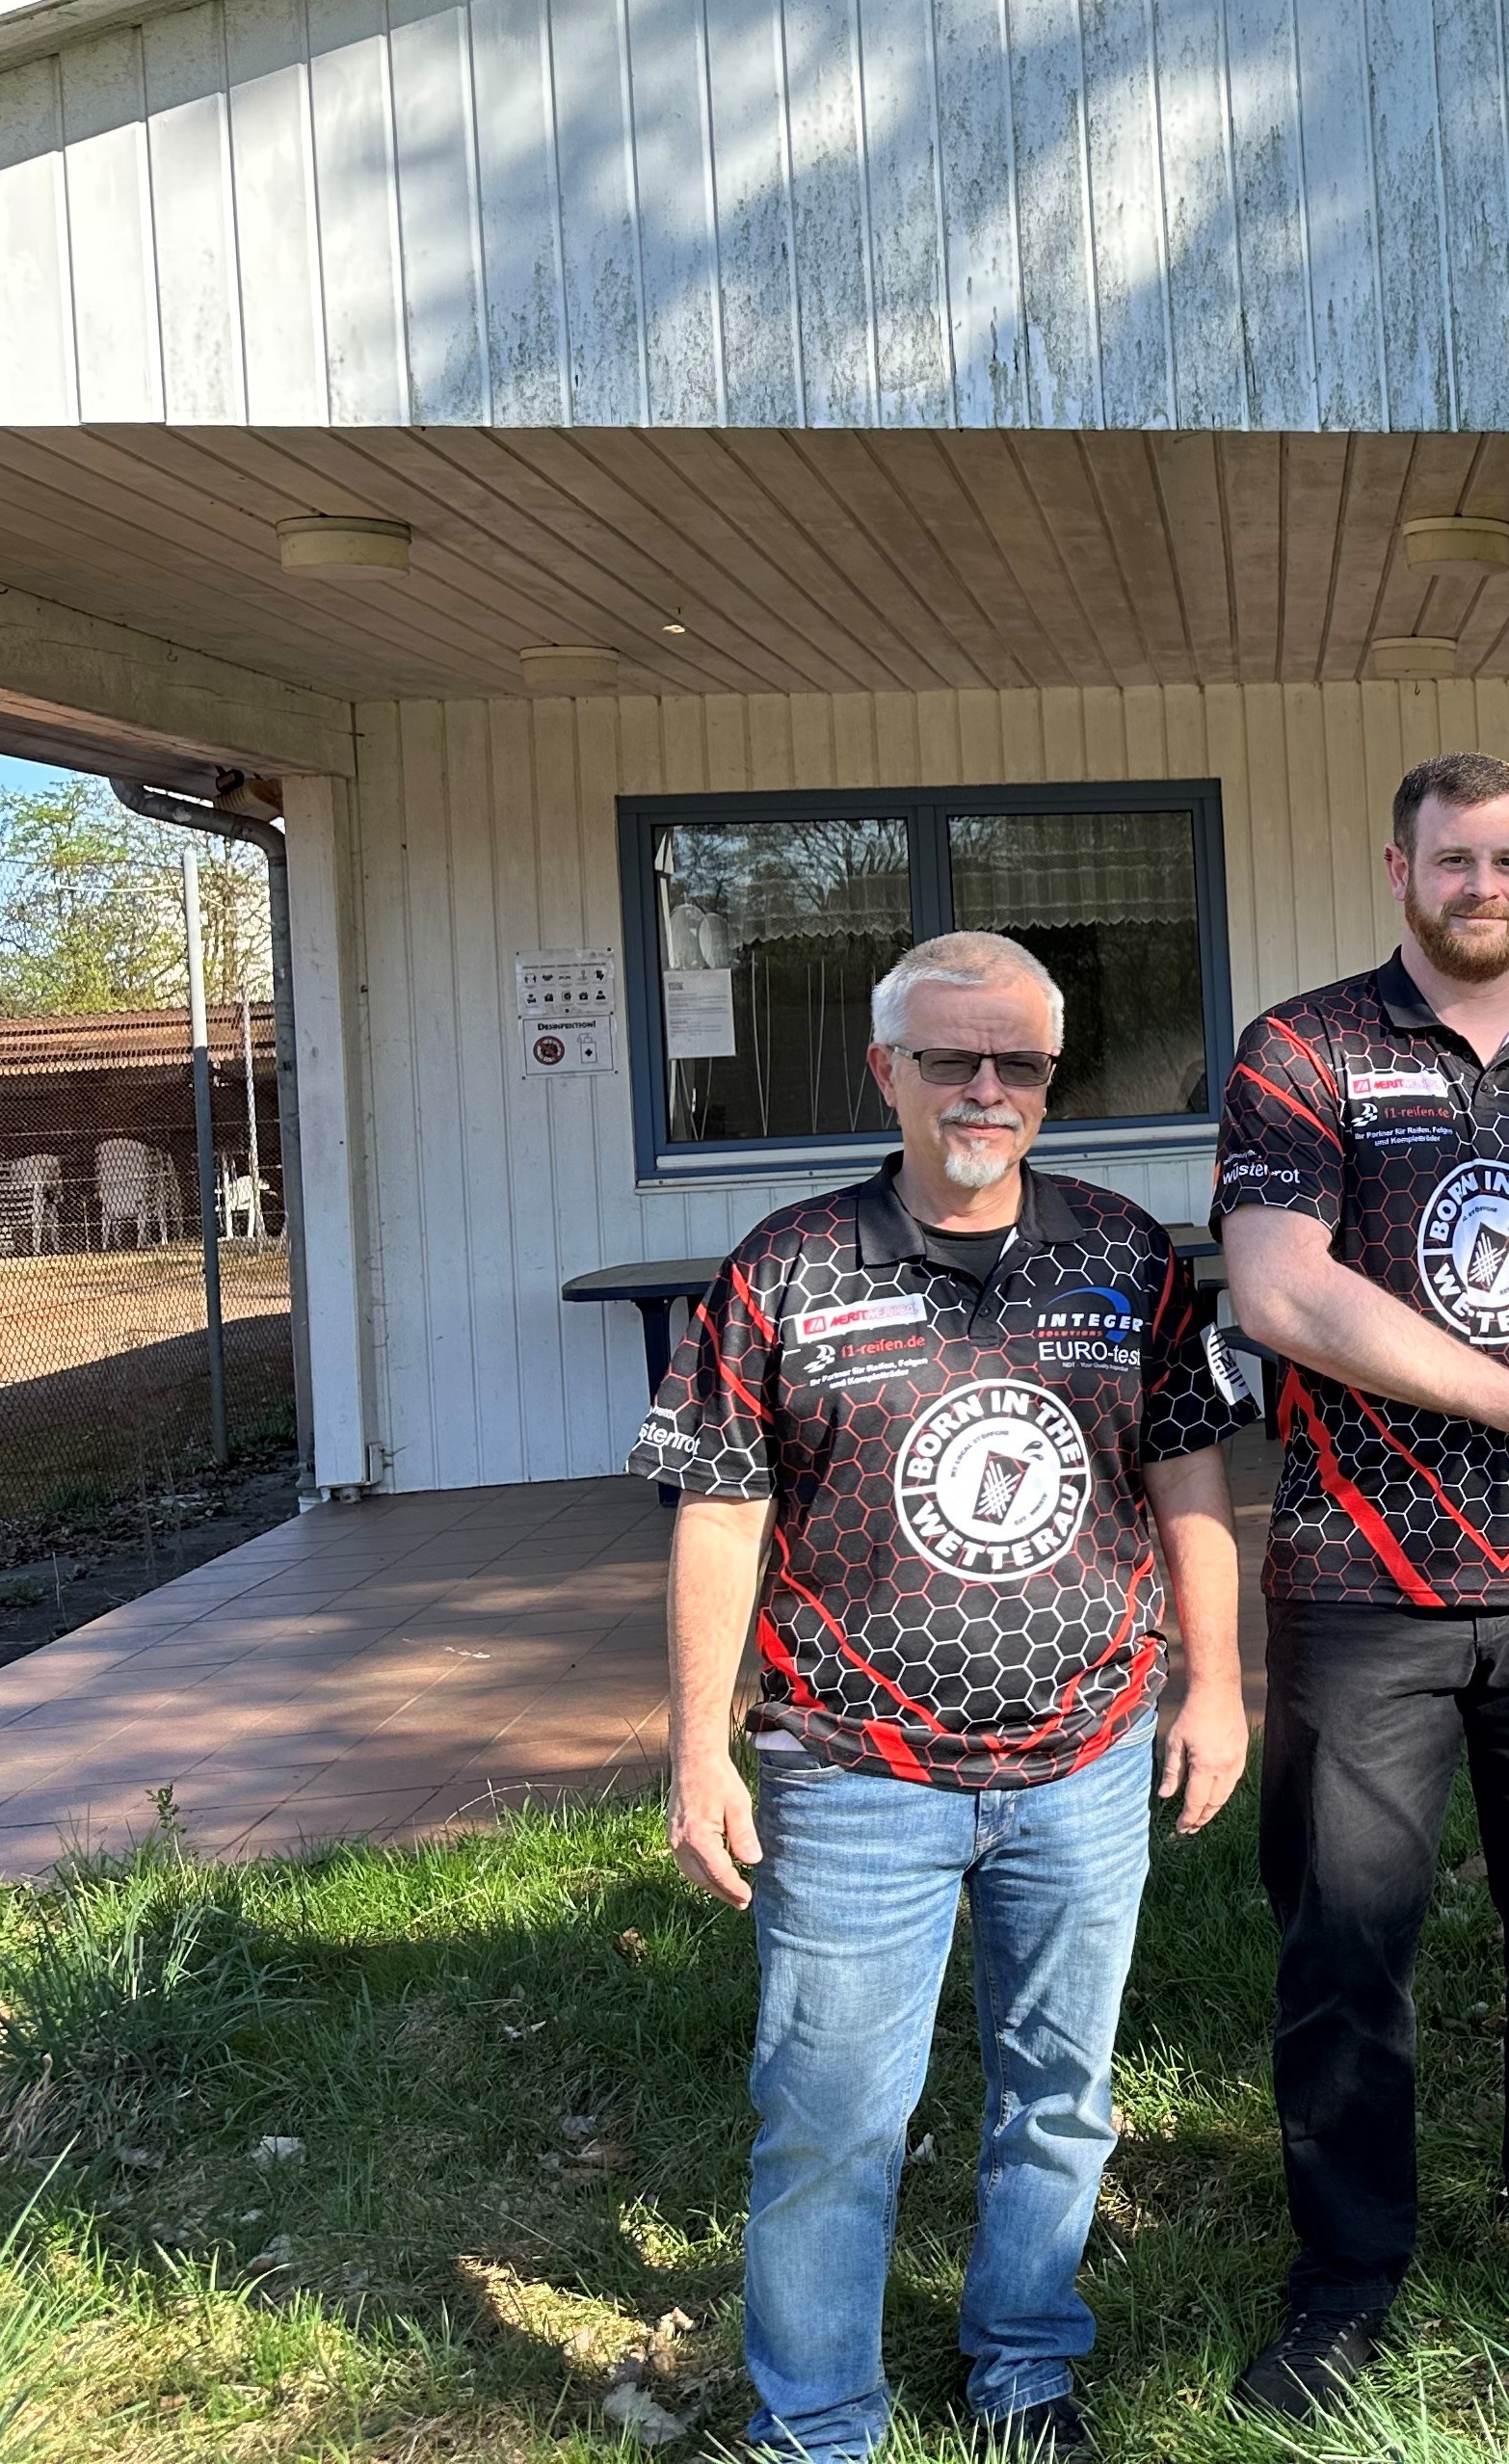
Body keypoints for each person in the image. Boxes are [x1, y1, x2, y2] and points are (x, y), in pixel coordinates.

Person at [640, 930, 1250, 2462]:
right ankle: (819, 2425)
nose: (988, 1090)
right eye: (952, 1060)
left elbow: (1190, 1482)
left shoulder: (1124, 1253)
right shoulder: (783, 1266)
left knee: (1060, 2095)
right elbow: (718, 1512)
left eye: (1021, 1063)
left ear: (1051, 1079)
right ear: (886, 1075)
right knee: (833, 2118)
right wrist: (696, 1752)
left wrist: (1217, 1685)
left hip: (1089, 1758)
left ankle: (1026, 2369)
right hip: (852, 1772)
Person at [1212, 754, 1509, 2414]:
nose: (1481, 885)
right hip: (1361, 1581)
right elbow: (1281, 1293)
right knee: (1348, 1942)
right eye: (1452, 860)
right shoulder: (1305, 1049)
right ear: (1396, 870)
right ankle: (1344, 2284)